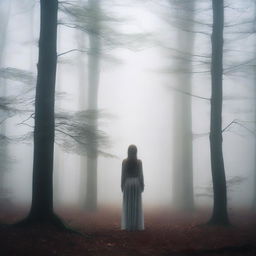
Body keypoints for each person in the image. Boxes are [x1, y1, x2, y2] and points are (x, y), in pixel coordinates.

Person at [121, 145, 144, 230]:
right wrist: (142, 185)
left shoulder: (124, 162)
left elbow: (123, 175)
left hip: (127, 184)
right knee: (136, 205)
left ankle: (128, 225)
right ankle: (136, 225)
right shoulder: (139, 162)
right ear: (136, 152)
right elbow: (141, 175)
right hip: (136, 183)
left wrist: (122, 185)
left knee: (128, 204)